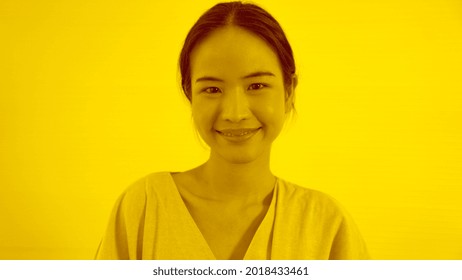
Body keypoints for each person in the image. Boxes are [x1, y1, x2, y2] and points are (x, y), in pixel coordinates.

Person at [95, 1, 369, 260]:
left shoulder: (326, 225)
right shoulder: (142, 207)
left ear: (288, 92)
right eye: (212, 89)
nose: (235, 113)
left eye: (257, 86)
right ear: (190, 96)